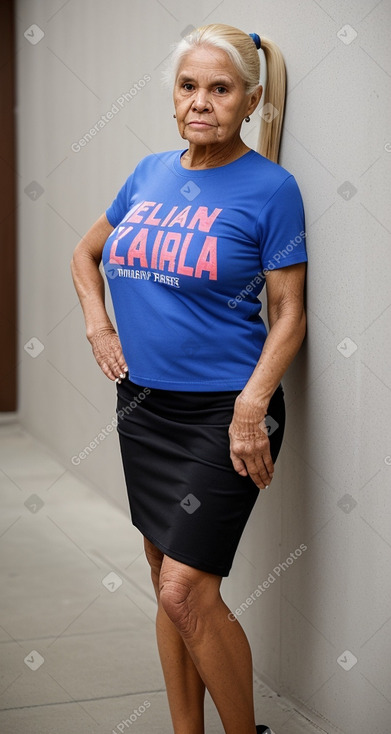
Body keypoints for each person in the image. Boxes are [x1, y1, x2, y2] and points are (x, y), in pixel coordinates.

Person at [71, 23, 308, 734]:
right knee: (164, 584)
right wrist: (98, 323)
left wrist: (251, 406)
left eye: (219, 88)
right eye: (188, 86)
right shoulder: (147, 174)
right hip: (144, 406)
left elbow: (289, 313)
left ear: (249, 99)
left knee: (183, 591)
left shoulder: (270, 189)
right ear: (173, 97)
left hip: (225, 413)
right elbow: (85, 255)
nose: (200, 101)